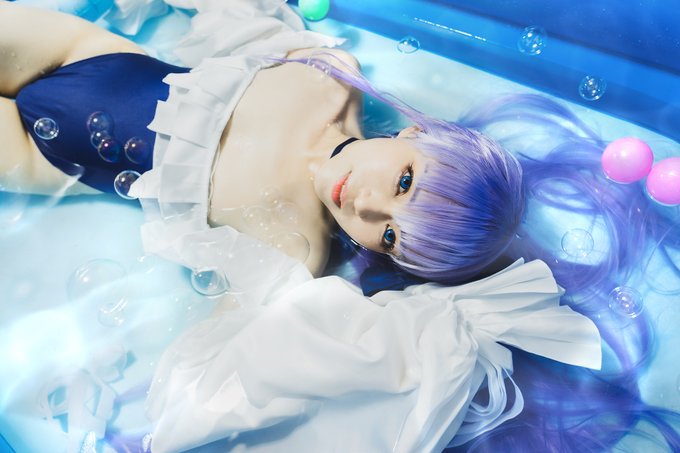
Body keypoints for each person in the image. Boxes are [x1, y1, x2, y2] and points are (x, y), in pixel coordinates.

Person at [1, 1, 679, 452]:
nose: (370, 207)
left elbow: (227, 371)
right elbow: (240, 20)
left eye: (389, 236)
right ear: (415, 134)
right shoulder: (331, 77)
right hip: (89, 53)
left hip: (49, 156)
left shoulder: (291, 245)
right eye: (404, 180)